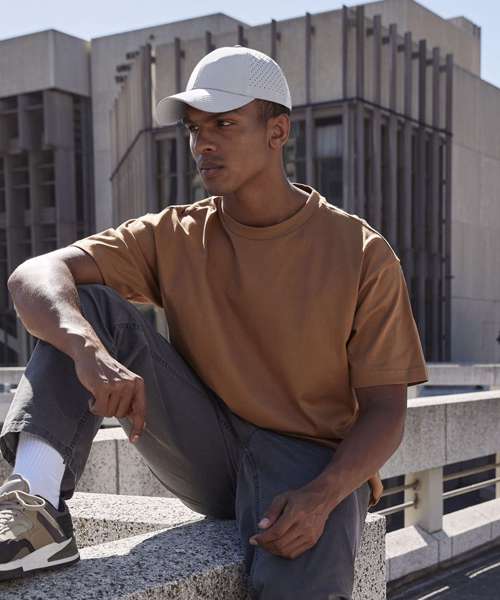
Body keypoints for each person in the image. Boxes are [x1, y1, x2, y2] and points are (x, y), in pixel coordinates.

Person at [0, 45, 428, 598]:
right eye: (194, 127)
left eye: (224, 123)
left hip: (307, 462)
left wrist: (325, 495)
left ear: (278, 131)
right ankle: (34, 511)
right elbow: (34, 274)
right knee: (88, 308)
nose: (203, 142)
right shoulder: (174, 234)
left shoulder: (362, 253)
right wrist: (87, 348)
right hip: (207, 449)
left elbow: (386, 410)